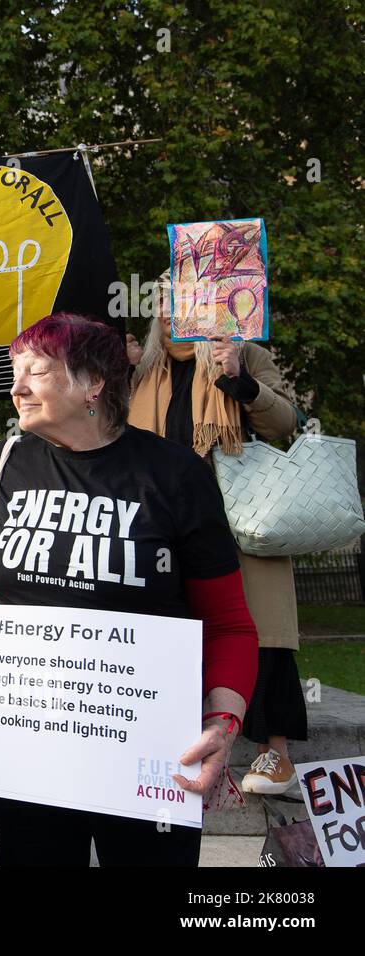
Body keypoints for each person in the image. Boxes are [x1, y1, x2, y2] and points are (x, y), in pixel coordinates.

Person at [0, 312, 258, 866]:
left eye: (36, 371)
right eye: (16, 372)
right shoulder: (3, 464)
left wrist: (223, 724)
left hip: (144, 758)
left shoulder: (174, 474)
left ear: (93, 384)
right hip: (27, 750)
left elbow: (229, 623)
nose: (17, 387)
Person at [127, 278, 304, 794]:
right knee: (176, 630)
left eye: (178, 302)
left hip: (236, 517)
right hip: (165, 525)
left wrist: (238, 379)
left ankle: (277, 753)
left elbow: (286, 423)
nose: (166, 311)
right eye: (160, 302)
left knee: (261, 631)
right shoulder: (144, 370)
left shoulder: (244, 355)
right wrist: (116, 370)